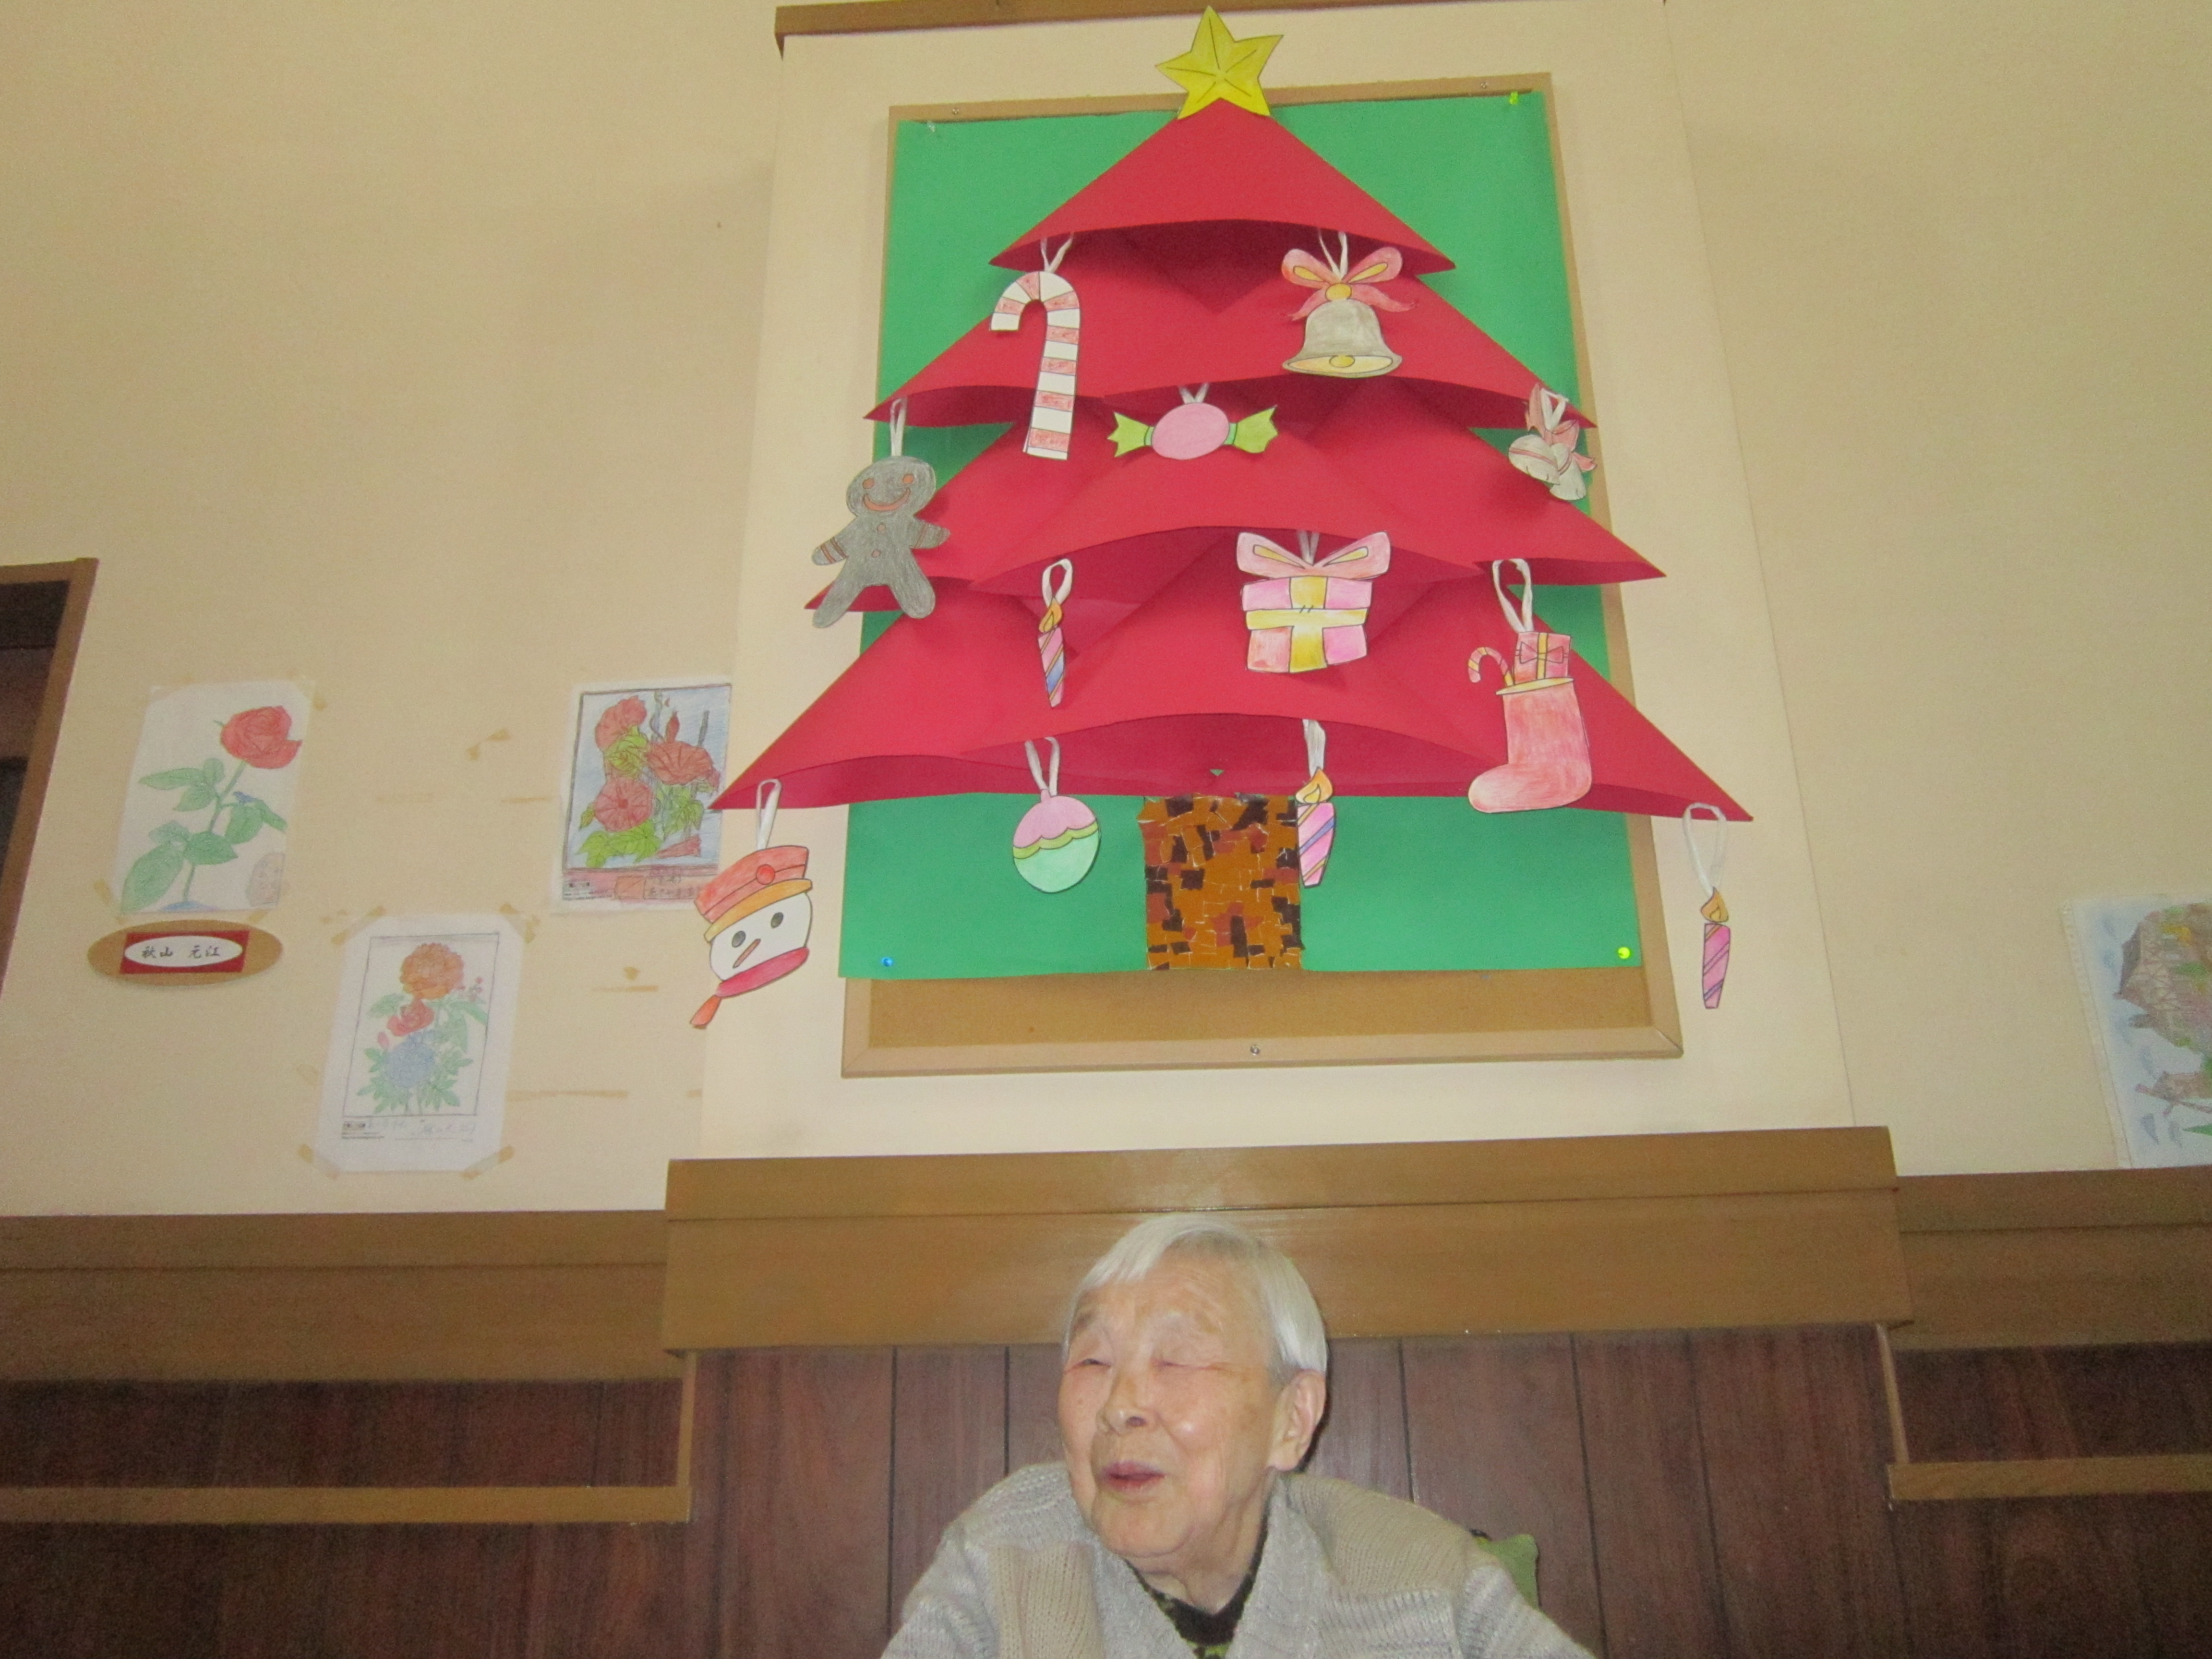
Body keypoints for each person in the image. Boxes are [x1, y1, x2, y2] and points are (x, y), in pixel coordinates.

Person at [885, 1213, 1592, 1659]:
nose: (1121, 1407)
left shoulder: (1421, 1575)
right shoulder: (1004, 1554)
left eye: (1177, 1360)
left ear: (1292, 1419)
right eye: (1093, 1362)